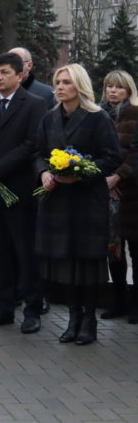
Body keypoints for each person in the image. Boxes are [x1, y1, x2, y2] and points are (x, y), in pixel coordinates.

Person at [37, 64, 121, 345]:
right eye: (57, 82)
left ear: (80, 86)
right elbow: (38, 153)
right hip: (58, 201)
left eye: (66, 82)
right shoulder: (49, 118)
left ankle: (88, 321)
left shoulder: (99, 118)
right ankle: (72, 318)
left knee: (86, 263)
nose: (60, 87)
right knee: (66, 262)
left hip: (87, 202)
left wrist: (81, 173)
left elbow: (111, 157)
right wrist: (45, 172)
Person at [0, 52, 47, 333]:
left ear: (20, 75)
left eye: (5, 72)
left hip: (19, 190)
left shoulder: (35, 105)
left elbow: (31, 144)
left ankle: (32, 309)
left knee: (25, 252)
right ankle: (3, 307)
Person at [101, 70, 138, 322]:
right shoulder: (98, 114)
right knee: (113, 252)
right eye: (109, 87)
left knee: (136, 252)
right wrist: (105, 179)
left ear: (128, 90)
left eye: (118, 87)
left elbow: (136, 154)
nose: (113, 91)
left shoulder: (135, 113)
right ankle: (119, 301)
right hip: (106, 193)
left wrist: (119, 176)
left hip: (133, 193)